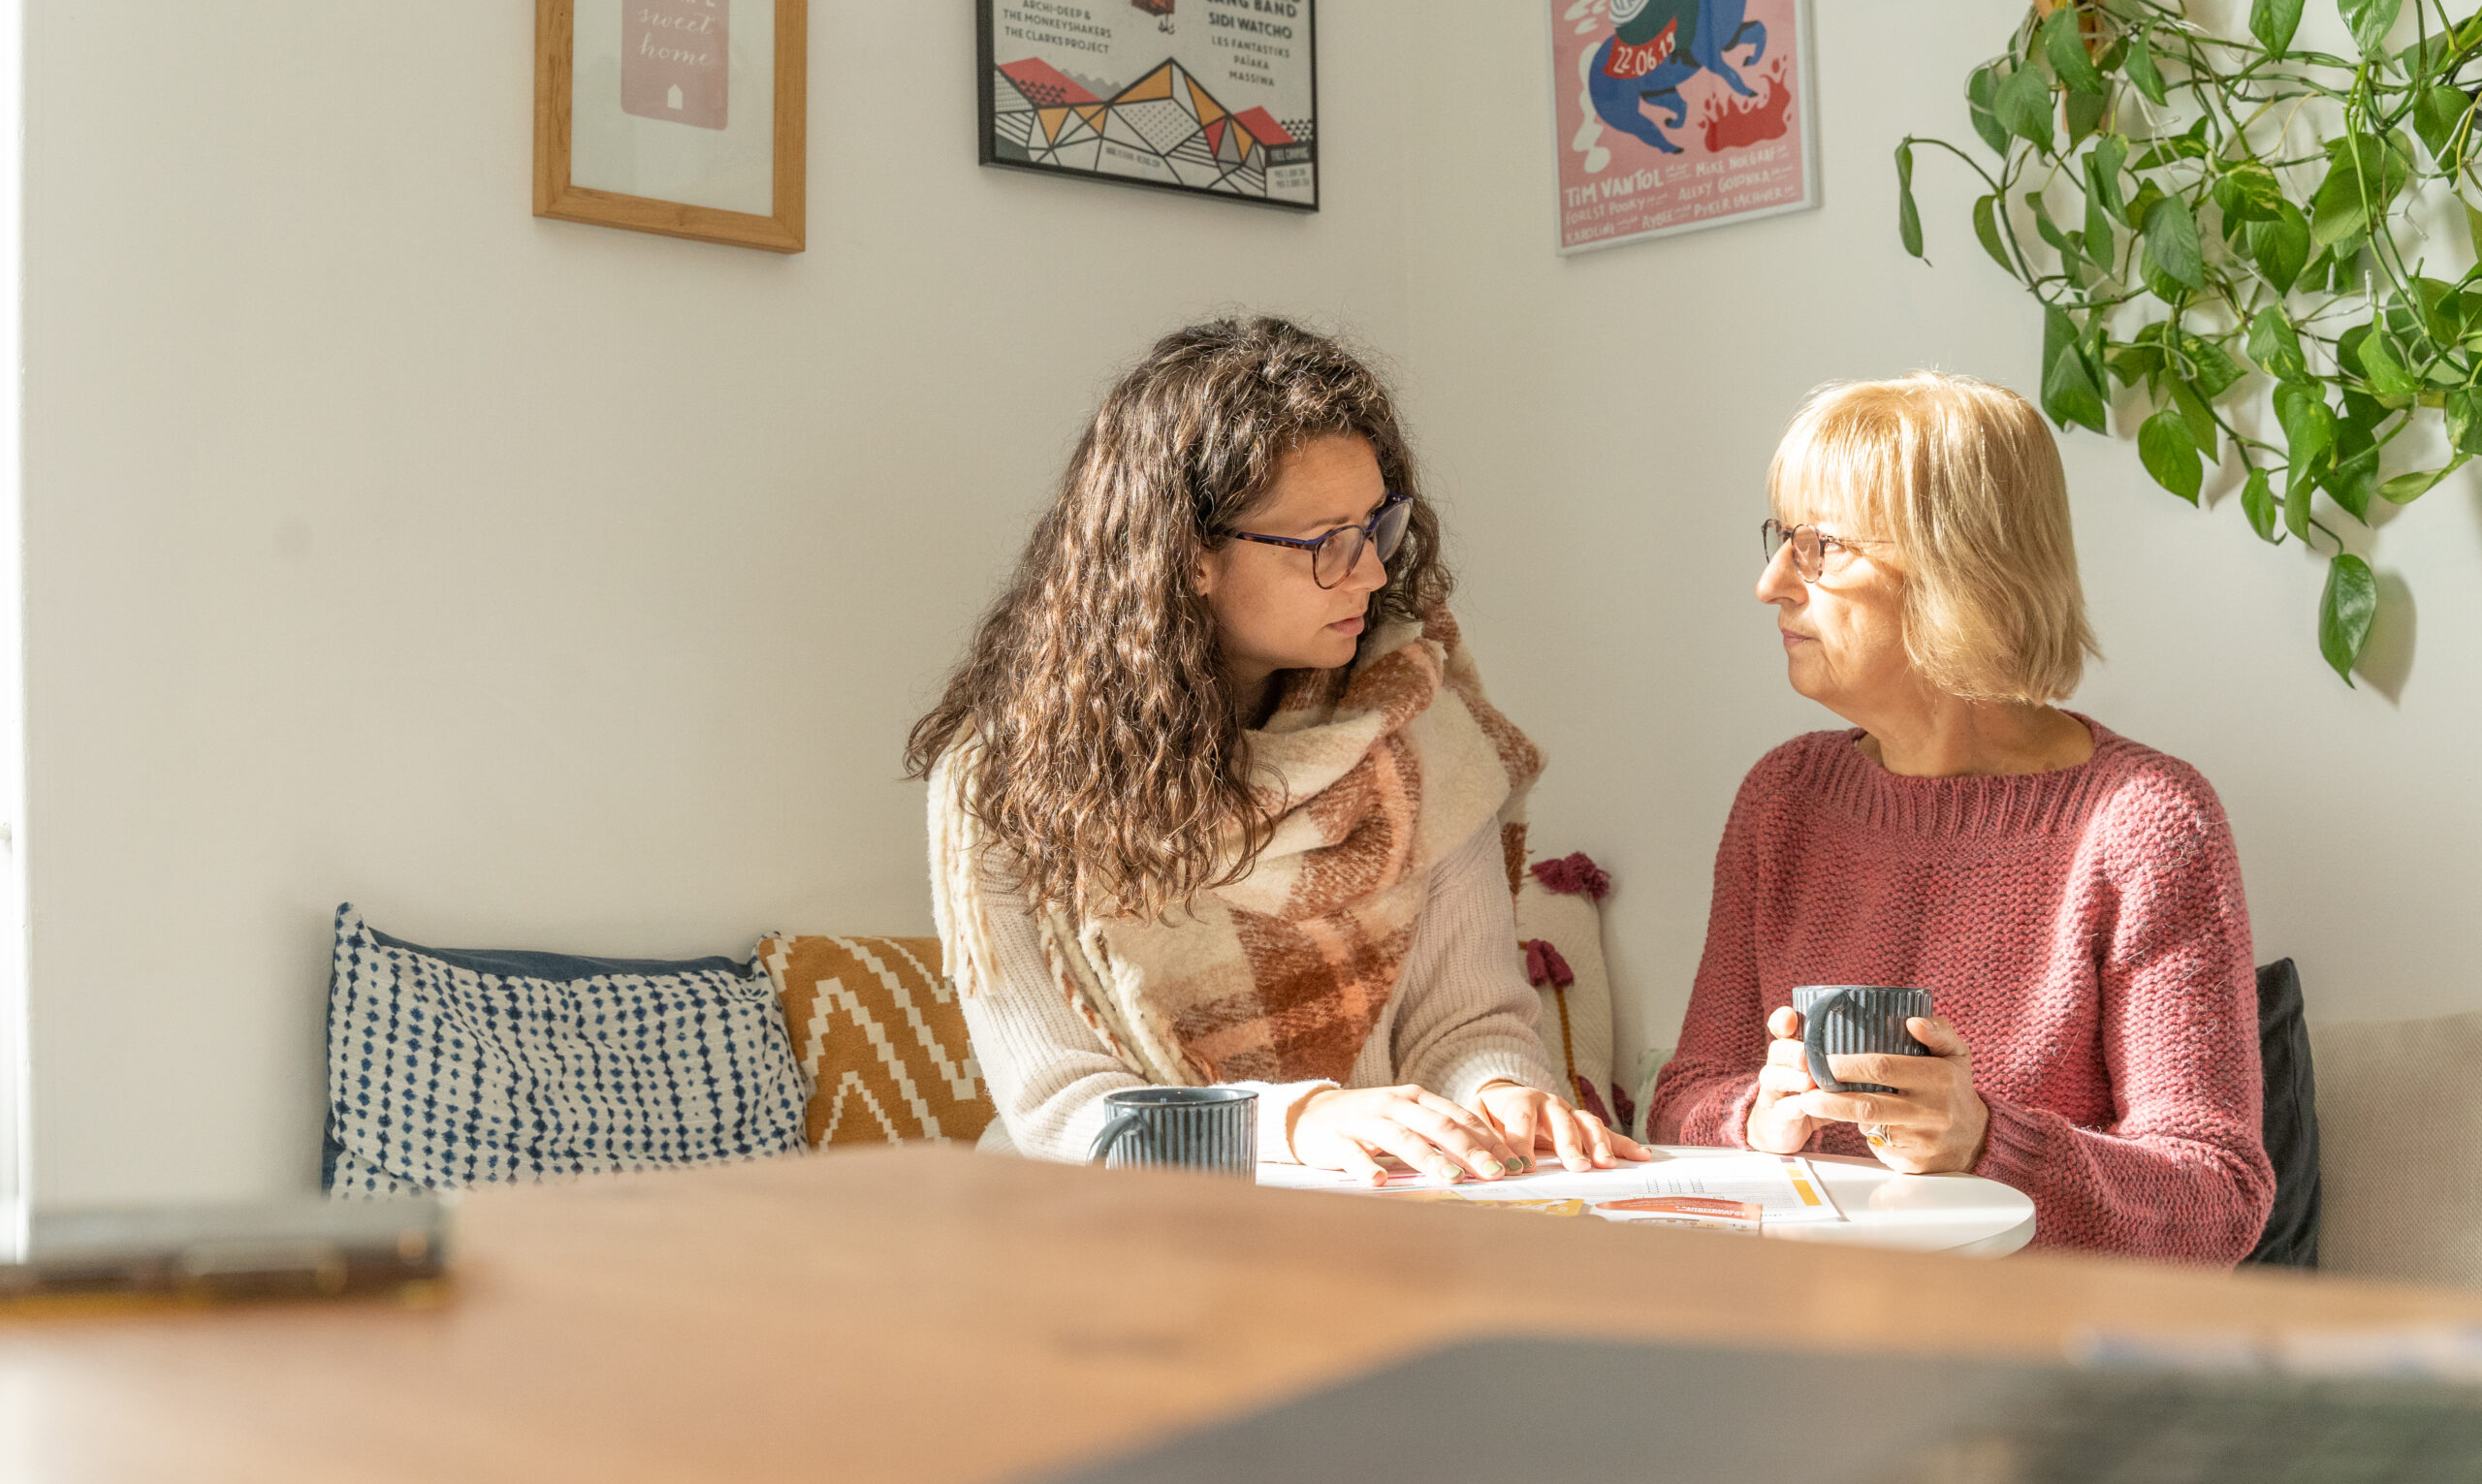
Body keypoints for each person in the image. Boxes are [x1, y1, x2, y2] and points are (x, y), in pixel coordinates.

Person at [910, 317, 1644, 1184]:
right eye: (1326, 542)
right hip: (1113, 1240)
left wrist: (1502, 1093)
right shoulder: (1006, 786)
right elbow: (1063, 1112)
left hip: (1382, 1220)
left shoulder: (1422, 729)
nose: (1371, 573)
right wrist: (1301, 1119)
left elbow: (1469, 1027)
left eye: (1378, 526)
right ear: (1188, 558)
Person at [1648, 372, 2274, 1263]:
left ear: (1957, 571)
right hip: (1806, 1335)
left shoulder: (2145, 823)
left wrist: (1987, 1142)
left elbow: (2219, 1198)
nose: (1771, 583)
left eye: (1819, 546)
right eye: (1780, 540)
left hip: (2038, 1359)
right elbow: (1680, 1100)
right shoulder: (1781, 803)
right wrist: (1757, 1112)